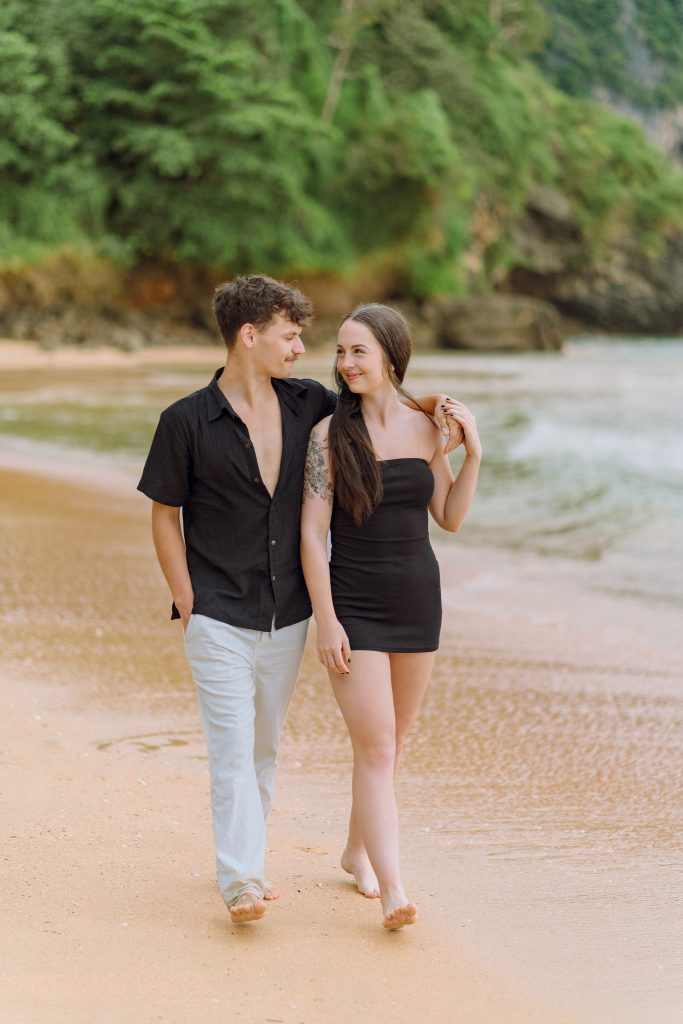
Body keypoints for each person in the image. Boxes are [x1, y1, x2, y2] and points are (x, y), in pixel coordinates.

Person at [137, 276, 463, 924]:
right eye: (291, 335)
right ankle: (242, 882)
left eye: (309, 338)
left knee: (266, 745)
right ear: (249, 336)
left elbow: (376, 405)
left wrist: (431, 410)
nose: (305, 349)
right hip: (217, 612)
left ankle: (312, 856)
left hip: (285, 614)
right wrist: (185, 598)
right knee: (234, 744)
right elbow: (163, 514)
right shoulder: (184, 422)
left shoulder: (306, 404)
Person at [300, 303, 481, 930]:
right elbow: (310, 534)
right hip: (354, 604)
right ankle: (393, 887)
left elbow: (450, 518)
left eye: (360, 352)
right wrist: (326, 619)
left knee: (390, 745)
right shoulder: (328, 436)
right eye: (342, 352)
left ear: (390, 358)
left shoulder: (428, 427)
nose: (347, 364)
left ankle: (356, 851)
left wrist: (474, 454)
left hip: (417, 603)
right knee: (376, 746)